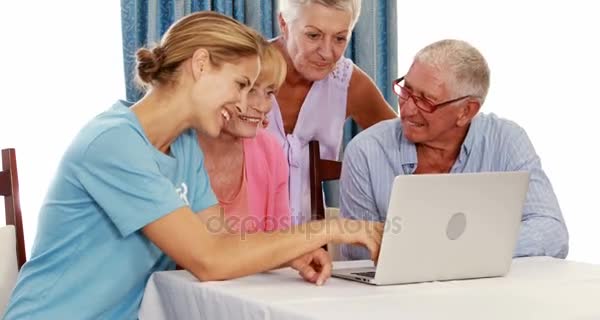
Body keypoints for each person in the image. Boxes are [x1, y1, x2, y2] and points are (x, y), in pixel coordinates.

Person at [2, 12, 383, 320]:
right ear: (201, 65)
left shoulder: (183, 148)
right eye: (239, 84)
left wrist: (288, 252)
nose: (241, 103)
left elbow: (220, 239)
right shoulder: (113, 143)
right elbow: (208, 259)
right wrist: (330, 228)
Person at [339, 39, 568, 260]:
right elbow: (356, 251)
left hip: (489, 291)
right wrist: (456, 250)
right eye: (406, 91)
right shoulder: (366, 151)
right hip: (396, 294)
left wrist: (463, 251)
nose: (407, 110)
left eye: (426, 101)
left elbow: (552, 232)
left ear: (466, 111)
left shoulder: (506, 141)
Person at [267, 0, 398, 223]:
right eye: (313, 35)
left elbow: (401, 146)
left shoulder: (348, 83)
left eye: (339, 38)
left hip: (307, 246)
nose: (327, 53)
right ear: (284, 23)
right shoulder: (243, 70)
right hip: (236, 238)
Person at [198, 44, 290, 233]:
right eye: (249, 90)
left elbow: (280, 241)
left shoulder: (270, 149)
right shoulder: (178, 150)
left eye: (269, 93)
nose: (263, 106)